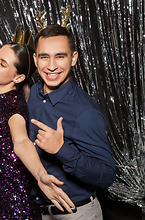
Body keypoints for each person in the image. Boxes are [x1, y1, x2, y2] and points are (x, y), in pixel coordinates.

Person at [28, 24, 116, 219]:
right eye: (44, 57)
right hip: (36, 210)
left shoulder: (85, 112)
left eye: (60, 56)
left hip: (75, 212)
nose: (51, 66)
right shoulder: (34, 93)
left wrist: (61, 150)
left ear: (73, 58)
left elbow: (107, 175)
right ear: (35, 60)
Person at [0, 42, 75, 219]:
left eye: (3, 64)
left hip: (13, 203)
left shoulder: (14, 104)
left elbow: (22, 142)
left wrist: (41, 176)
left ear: (18, 78)